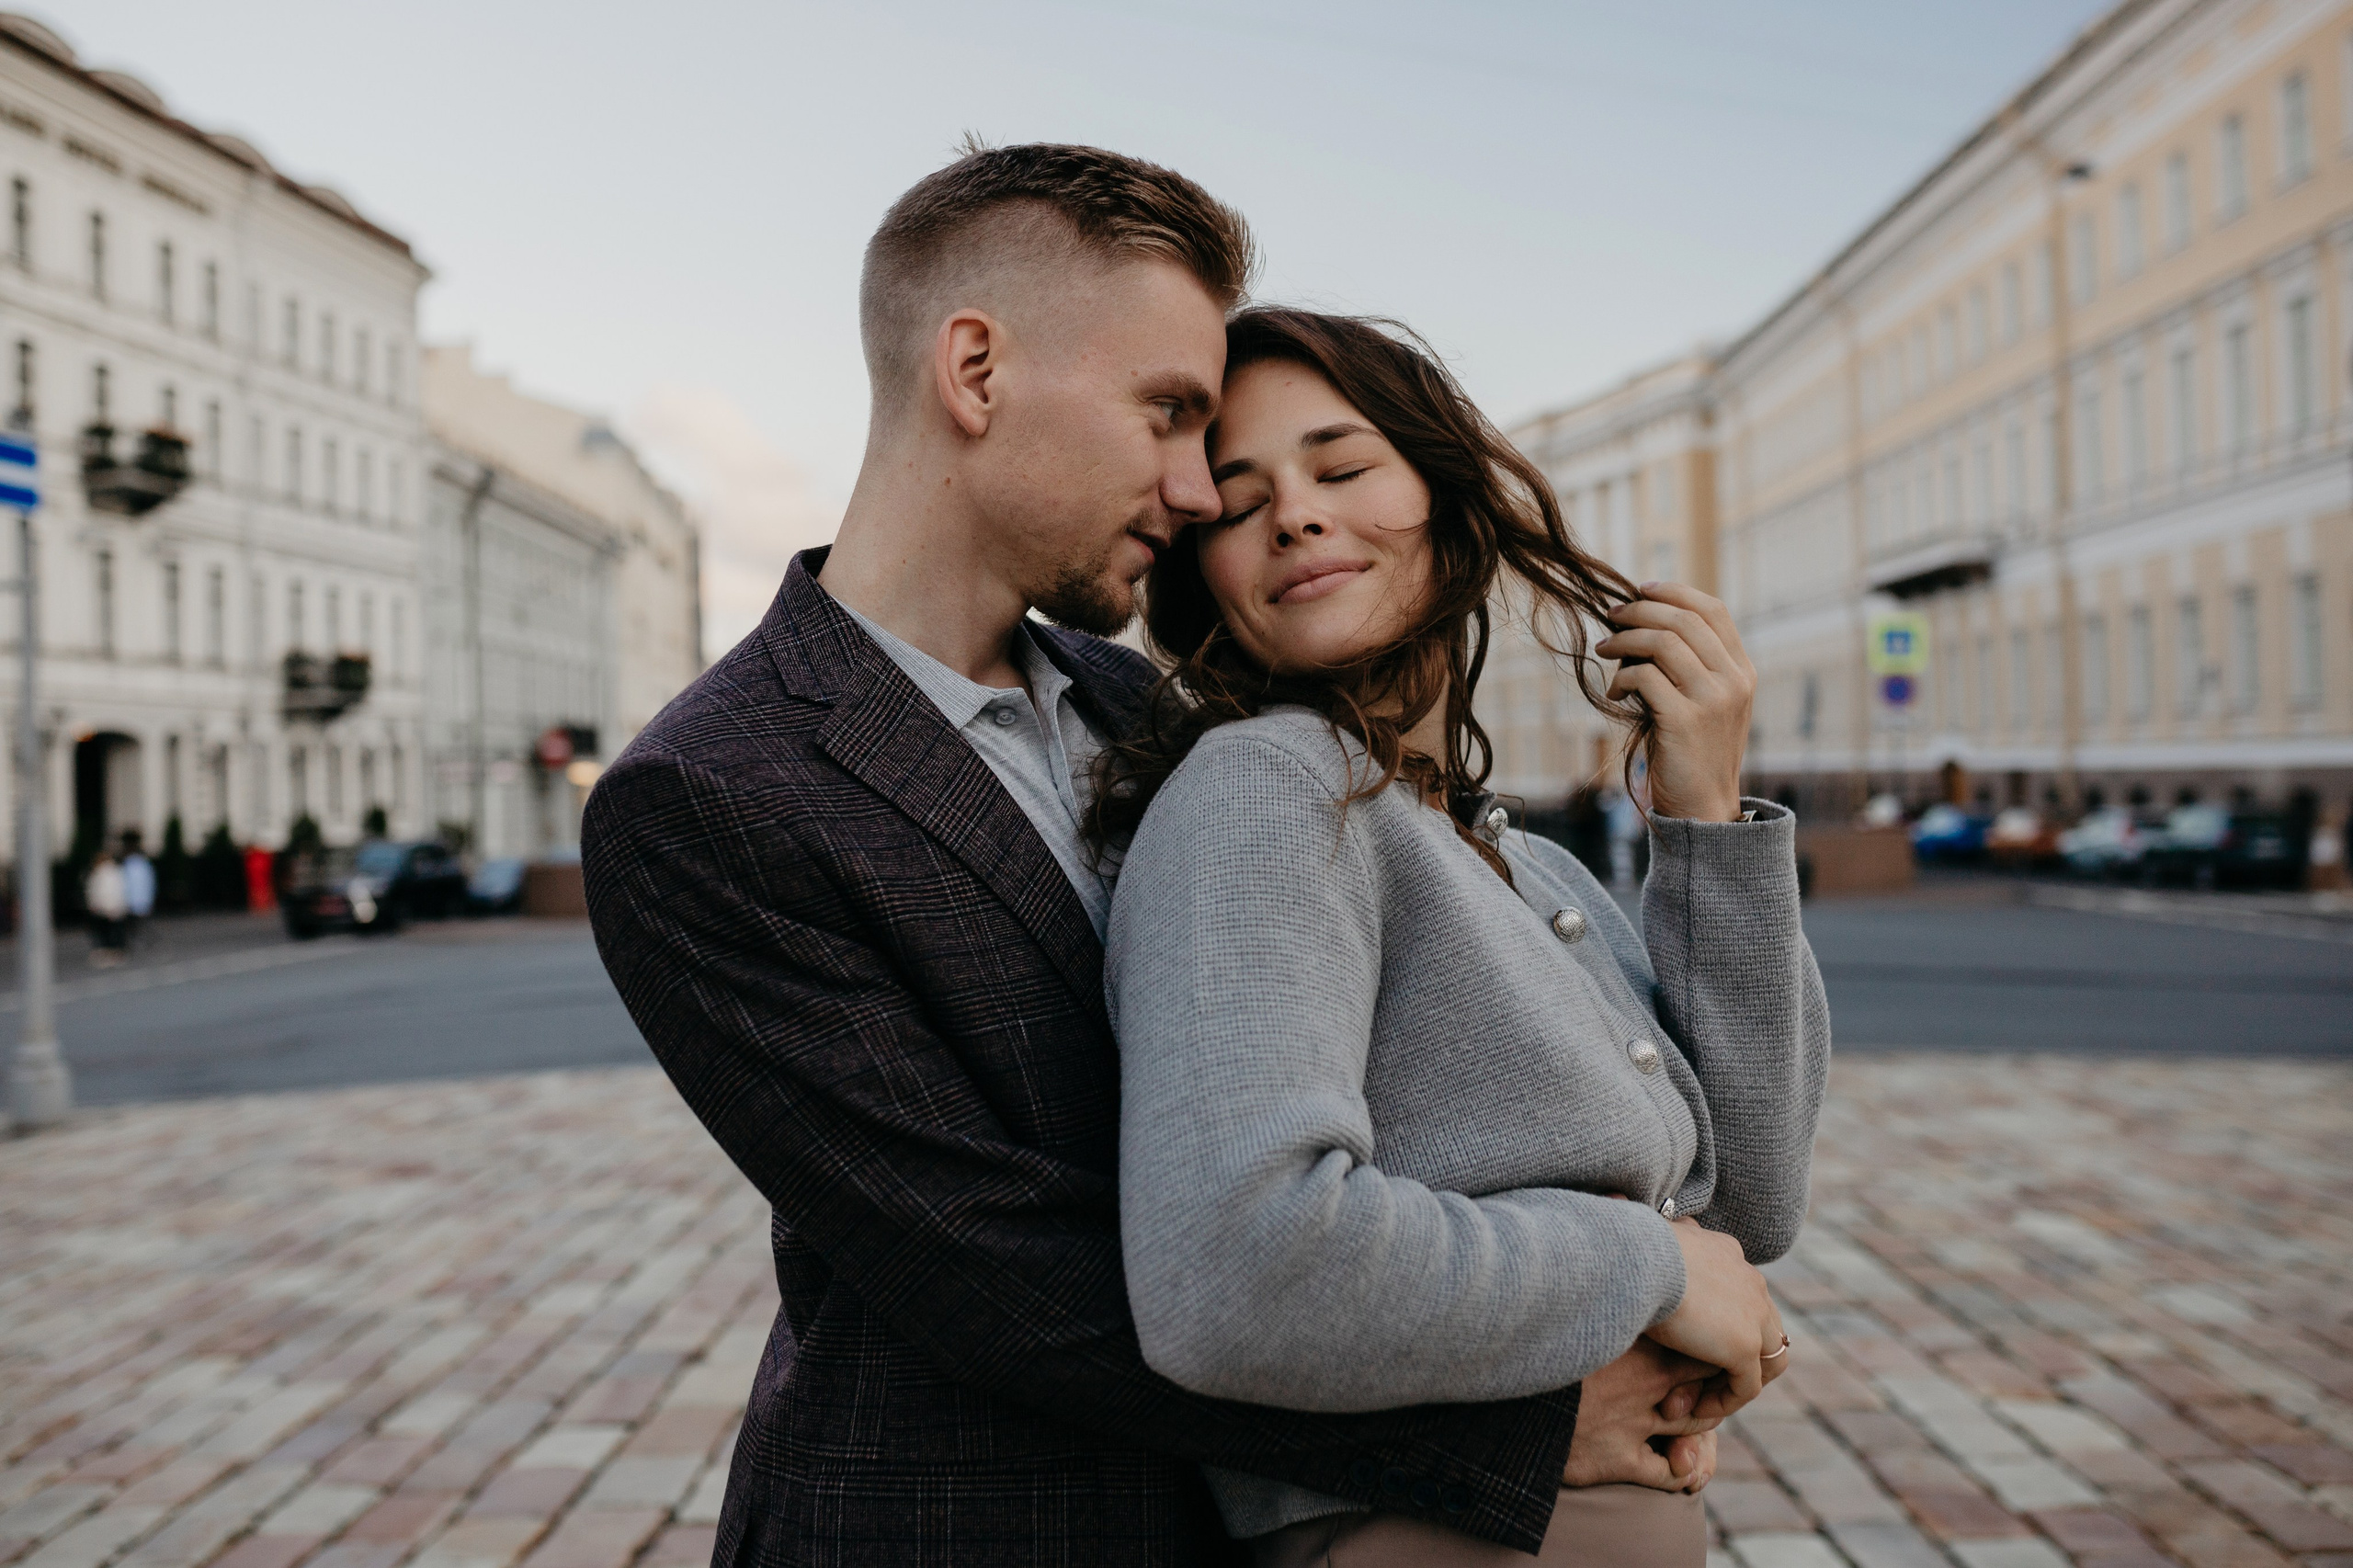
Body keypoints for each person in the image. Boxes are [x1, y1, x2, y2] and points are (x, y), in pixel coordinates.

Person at [583, 142, 1721, 1567]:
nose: (1198, 493)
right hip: (972, 1528)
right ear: (977, 371)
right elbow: (999, 1273)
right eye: (1170, 414)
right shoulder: (708, 792)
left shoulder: (1141, 709)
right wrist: (1517, 1422)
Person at [1094, 310, 1832, 1565]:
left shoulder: (1512, 857)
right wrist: (1643, 1261)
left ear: (1453, 501)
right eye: (1239, 499)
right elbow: (1237, 1274)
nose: (1295, 516)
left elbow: (1750, 1198)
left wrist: (1706, 812)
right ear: (1201, 570)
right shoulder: (1270, 785)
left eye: (1341, 469)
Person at [85, 849, 129, 967]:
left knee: (106, 931)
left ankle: (111, 952)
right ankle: (114, 952)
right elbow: (121, 890)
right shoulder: (115, 872)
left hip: (105, 907)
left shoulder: (100, 873)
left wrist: (95, 904)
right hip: (111, 907)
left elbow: (97, 891)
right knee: (112, 931)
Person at [119, 829, 155, 947]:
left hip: (136, 899)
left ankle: (143, 941)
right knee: (134, 924)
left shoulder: (135, 863)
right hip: (133, 900)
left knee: (138, 923)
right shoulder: (137, 862)